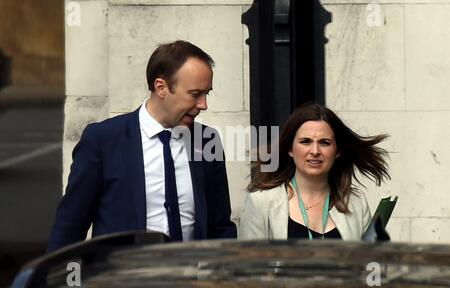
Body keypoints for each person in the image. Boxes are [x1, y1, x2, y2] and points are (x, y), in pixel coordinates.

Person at [48, 40, 236, 252]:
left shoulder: (206, 140)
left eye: (206, 94)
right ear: (161, 87)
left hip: (191, 280)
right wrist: (66, 282)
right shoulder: (103, 140)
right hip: (124, 281)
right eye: (195, 94)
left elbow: (220, 226)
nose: (203, 105)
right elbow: (71, 226)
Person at [238, 102, 390, 240]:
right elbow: (246, 267)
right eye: (306, 142)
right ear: (290, 149)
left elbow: (369, 265)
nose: (315, 151)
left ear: (337, 151)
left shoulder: (356, 203)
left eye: (325, 142)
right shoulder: (261, 203)